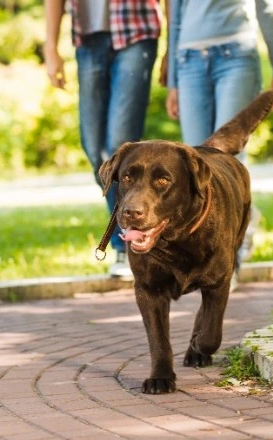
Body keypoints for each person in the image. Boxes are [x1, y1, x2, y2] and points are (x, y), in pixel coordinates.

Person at [162, 0, 273, 280]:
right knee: (194, 166)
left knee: (227, 157)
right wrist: (173, 82)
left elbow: (265, 9)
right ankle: (212, 247)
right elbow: (176, 17)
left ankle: (228, 258)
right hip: (189, 62)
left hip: (236, 56)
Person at [44, 0, 162, 278]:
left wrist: (172, 48)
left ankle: (129, 243)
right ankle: (140, 232)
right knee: (95, 149)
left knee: (120, 145)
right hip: (88, 38)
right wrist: (50, 46)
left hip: (137, 31)